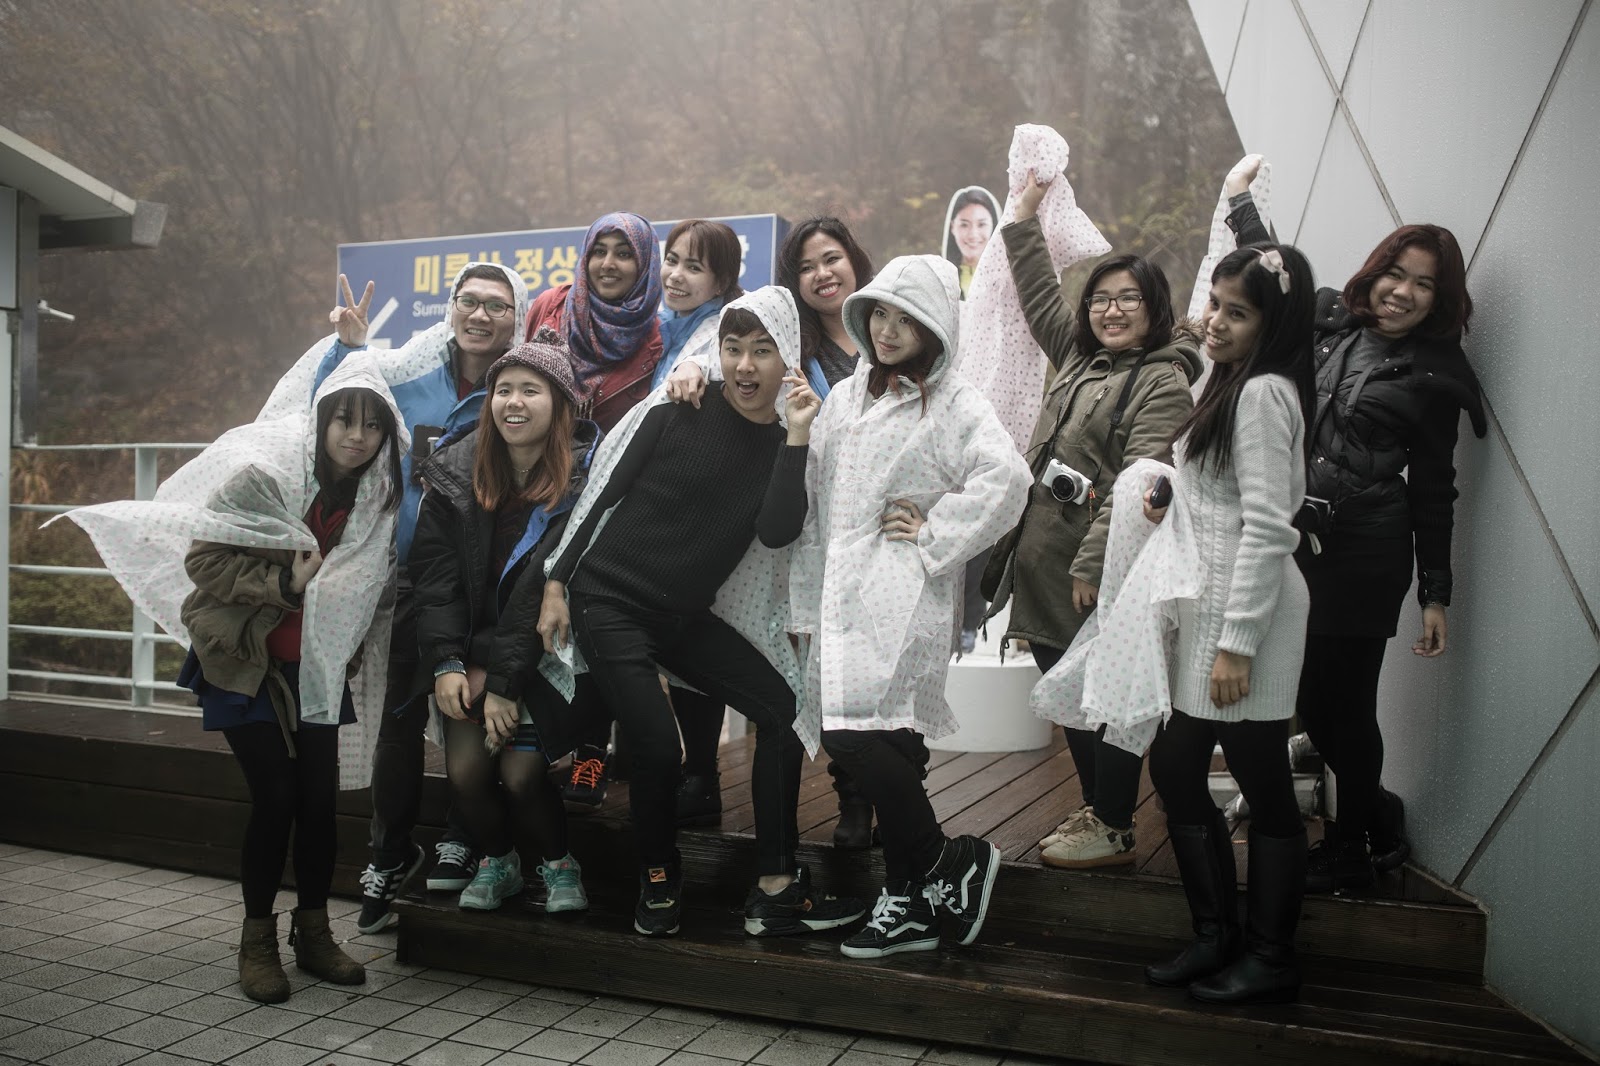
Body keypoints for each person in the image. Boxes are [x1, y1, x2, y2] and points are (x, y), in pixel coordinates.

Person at [61, 357, 407, 1003]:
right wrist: (283, 582)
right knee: (276, 797)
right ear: (321, 423)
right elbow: (204, 559)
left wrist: (346, 643)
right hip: (243, 662)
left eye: (372, 426)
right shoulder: (266, 479)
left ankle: (314, 933)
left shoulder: (375, 503)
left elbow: (367, 590)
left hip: (317, 670)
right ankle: (257, 943)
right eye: (343, 420)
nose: (357, 436)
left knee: (319, 803)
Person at [537, 286, 865, 939]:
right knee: (660, 746)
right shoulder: (678, 408)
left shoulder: (788, 441)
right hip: (607, 601)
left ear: (787, 358)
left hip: (680, 618)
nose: (745, 365)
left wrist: (798, 436)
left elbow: (777, 532)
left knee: (782, 710)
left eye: (762, 351)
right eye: (733, 348)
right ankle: (658, 876)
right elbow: (603, 494)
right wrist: (556, 582)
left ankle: (776, 885)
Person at [1224, 164, 1485, 893]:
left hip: (1368, 550)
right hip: (1300, 542)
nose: (1403, 291)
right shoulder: (1329, 320)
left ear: (1440, 299)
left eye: (1424, 283)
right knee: (1308, 700)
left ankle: (1349, 849)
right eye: (1396, 273)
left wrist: (1436, 592)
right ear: (1376, 272)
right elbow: (1275, 274)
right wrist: (1242, 205)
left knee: (1348, 704)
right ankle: (1380, 813)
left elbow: (1434, 488)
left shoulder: (1436, 373)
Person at [260, 264, 530, 934]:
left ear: (517, 318)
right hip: (407, 577)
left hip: (488, 580)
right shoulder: (410, 373)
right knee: (397, 718)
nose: (481, 315)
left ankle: (465, 836)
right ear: (451, 307)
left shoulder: (517, 389)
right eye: (469, 301)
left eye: (497, 306)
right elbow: (336, 404)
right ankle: (388, 852)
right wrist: (348, 348)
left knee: (471, 710)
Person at [792, 254, 1030, 959]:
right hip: (840, 589)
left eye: (907, 318)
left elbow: (1008, 478)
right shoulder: (845, 397)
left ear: (936, 326)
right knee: (878, 740)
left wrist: (936, 533)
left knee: (861, 733)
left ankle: (944, 860)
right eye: (880, 314)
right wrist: (804, 602)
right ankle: (913, 898)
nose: (888, 330)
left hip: (903, 588)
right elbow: (815, 504)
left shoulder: (955, 400)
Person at [981, 169, 1203, 870]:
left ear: (1155, 307)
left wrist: (1092, 566)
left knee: (1102, 693)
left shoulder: (1164, 380)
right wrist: (1024, 213)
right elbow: (1039, 292)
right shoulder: (1079, 356)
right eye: (1102, 298)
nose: (1111, 310)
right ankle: (1097, 808)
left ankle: (1112, 822)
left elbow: (1142, 481)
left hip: (1093, 568)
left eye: (1128, 298)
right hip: (1041, 558)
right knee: (1069, 689)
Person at [665, 217, 906, 849]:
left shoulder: (889, 330)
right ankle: (852, 798)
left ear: (855, 262)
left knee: (880, 663)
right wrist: (689, 368)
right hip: (810, 526)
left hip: (885, 530)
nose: (821, 274)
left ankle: (894, 797)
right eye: (805, 266)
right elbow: (729, 351)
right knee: (820, 665)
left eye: (832, 259)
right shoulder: (788, 336)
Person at [1142, 241, 1316, 1005]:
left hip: (1249, 622)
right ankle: (1217, 936)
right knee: (1177, 769)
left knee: (1262, 783)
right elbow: (1223, 499)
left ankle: (1270, 955)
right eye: (1215, 303)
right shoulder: (1229, 381)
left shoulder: (1265, 393)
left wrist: (1237, 644)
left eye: (1237, 312)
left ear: (1273, 324)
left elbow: (1270, 528)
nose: (1215, 321)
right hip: (1209, 615)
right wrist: (1169, 499)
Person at [408, 332, 601, 913]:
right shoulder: (454, 471)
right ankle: (500, 860)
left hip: (544, 655)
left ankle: (559, 863)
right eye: (504, 390)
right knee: (466, 773)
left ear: (560, 404)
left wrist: (503, 683)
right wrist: (447, 661)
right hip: (472, 651)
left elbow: (534, 596)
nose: (514, 402)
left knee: (520, 774)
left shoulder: (585, 480)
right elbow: (434, 578)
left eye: (531, 391)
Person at [524, 211, 664, 809]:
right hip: (542, 489)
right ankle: (533, 746)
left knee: (598, 623)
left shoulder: (657, 336)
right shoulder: (549, 309)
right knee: (533, 614)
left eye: (623, 252)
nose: (609, 263)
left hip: (613, 505)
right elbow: (520, 380)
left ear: (645, 264)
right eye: (599, 250)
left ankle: (591, 755)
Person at [652, 219, 746, 829]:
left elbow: (715, 364)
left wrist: (696, 368)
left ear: (722, 279)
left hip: (703, 515)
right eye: (672, 260)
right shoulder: (659, 325)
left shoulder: (720, 330)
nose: (677, 275)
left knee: (696, 639)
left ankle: (701, 774)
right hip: (663, 511)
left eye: (694, 266)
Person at [942, 186, 1000, 298]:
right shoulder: (940, 280)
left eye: (981, 224)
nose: (973, 234)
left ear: (994, 226)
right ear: (952, 227)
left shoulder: (1008, 279)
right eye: (964, 225)